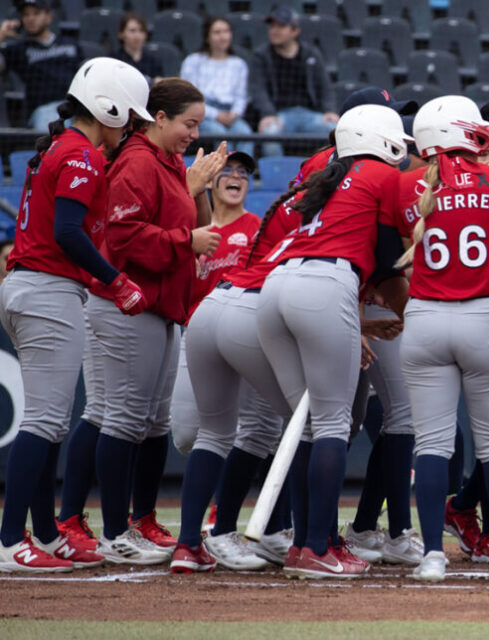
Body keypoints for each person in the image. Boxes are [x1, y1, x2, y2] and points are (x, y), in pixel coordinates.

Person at [0, 57, 150, 573]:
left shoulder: (61, 147)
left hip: (29, 286)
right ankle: (7, 541)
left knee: (50, 422)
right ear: (107, 107)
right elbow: (68, 232)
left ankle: (44, 532)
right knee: (44, 422)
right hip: (47, 290)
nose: (129, 127)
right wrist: (115, 279)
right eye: (127, 117)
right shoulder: (81, 154)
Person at [254, 104, 410, 579]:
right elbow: (389, 261)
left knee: (308, 426)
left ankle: (304, 543)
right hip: (327, 285)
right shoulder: (383, 176)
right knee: (332, 424)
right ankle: (318, 545)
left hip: (277, 287)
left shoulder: (330, 174)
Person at [85, 78, 226, 565]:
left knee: (150, 422)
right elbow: (124, 238)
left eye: (199, 125)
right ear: (158, 118)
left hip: (160, 304)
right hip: (128, 302)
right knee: (123, 418)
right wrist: (184, 242)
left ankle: (141, 520)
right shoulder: (139, 160)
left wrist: (197, 187)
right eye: (189, 123)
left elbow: (190, 219)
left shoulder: (169, 161)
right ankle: (113, 532)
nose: (194, 133)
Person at [390, 95, 489, 583]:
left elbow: (406, 248)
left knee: (431, 445)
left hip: (424, 317)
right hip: (485, 316)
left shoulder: (405, 185)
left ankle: (431, 554)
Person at [170, 150, 294, 574]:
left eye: (244, 172)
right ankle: (201, 534)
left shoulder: (256, 228)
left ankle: (249, 528)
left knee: (260, 430)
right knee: (189, 434)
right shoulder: (190, 229)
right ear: (211, 179)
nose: (236, 177)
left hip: (241, 328)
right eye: (228, 170)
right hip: (199, 330)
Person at [250, 4, 338, 157]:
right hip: (279, 116)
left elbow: (325, 86)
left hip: (309, 114)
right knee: (270, 132)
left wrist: (330, 110)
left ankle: (330, 177)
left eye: (281, 26)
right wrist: (268, 113)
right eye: (272, 26)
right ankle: (278, 179)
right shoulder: (261, 56)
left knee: (336, 130)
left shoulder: (311, 54)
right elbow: (258, 89)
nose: (274, 31)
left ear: (295, 31)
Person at [0, 0, 82, 130]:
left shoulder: (70, 43)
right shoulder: (19, 49)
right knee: (57, 126)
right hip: (45, 110)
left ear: (49, 17)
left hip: (75, 108)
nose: (30, 19)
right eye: (26, 15)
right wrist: (1, 35)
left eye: (36, 13)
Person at [180, 16, 254, 156]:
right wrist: (216, 115)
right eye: (217, 32)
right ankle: (223, 174)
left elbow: (241, 97)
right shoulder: (193, 61)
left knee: (245, 133)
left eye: (226, 31)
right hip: (203, 114)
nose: (222, 36)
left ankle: (244, 174)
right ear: (207, 37)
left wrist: (234, 114)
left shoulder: (238, 64)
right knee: (220, 134)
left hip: (231, 114)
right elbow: (189, 98)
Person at [113, 12, 163, 83]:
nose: (137, 36)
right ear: (121, 34)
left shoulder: (154, 62)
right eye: (132, 31)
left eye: (141, 31)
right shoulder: (113, 60)